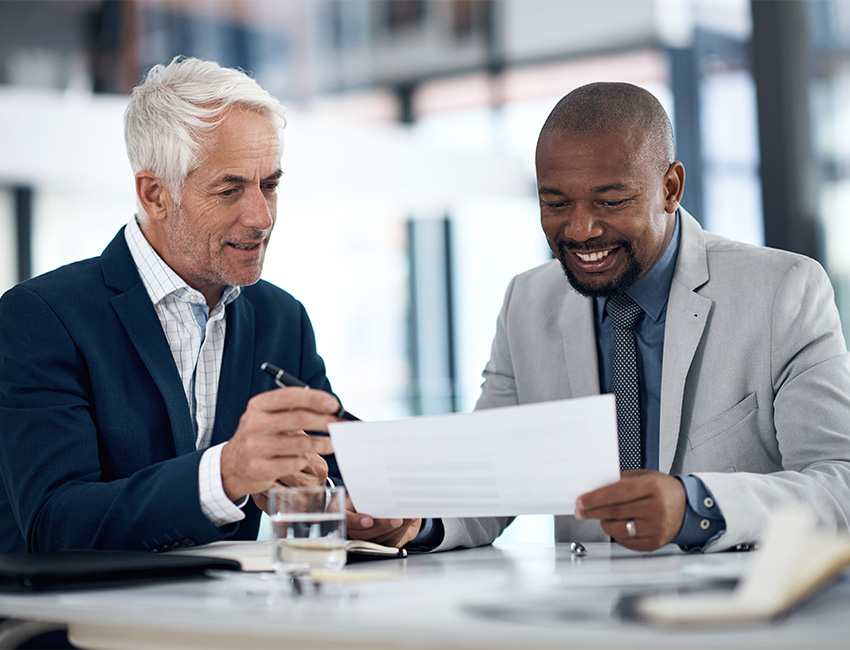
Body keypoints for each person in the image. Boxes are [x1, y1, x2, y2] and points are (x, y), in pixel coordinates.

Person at [0, 56, 421, 553]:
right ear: (155, 194)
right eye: (230, 189)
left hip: (231, 619)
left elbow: (334, 475)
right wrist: (225, 474)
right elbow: (55, 526)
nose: (262, 217)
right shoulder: (39, 318)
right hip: (79, 626)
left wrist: (359, 511)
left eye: (270, 185)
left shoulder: (283, 321)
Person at [429, 81, 850, 553]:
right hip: (584, 617)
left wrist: (698, 506)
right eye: (556, 203)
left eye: (610, 202)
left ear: (670, 188)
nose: (581, 229)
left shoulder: (781, 290)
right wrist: (411, 524)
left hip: (739, 614)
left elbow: (841, 483)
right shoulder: (526, 302)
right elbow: (488, 480)